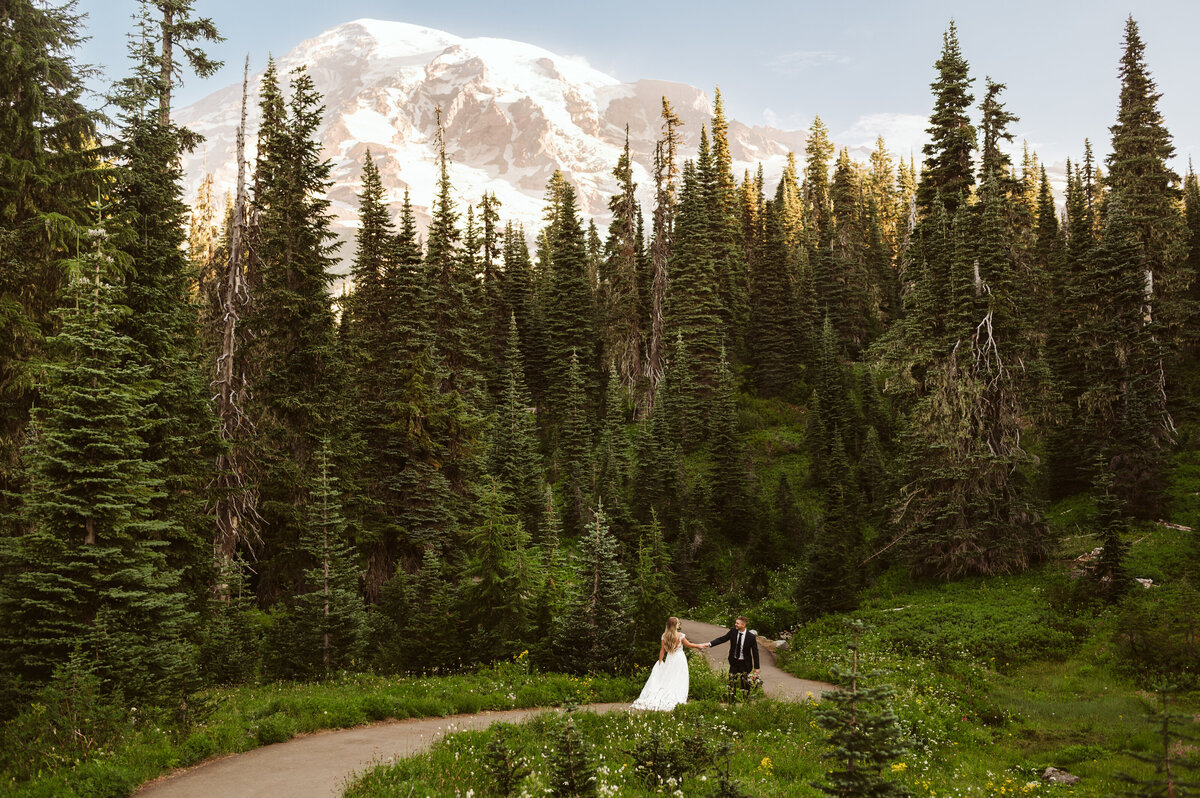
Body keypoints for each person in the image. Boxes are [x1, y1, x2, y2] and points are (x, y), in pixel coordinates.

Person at [630, 617, 707, 711]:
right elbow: (689, 645)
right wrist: (699, 645)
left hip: (670, 659)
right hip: (679, 659)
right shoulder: (680, 635)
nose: (679, 624)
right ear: (675, 625)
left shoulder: (664, 636)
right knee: (679, 677)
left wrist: (660, 662)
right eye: (678, 623)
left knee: (669, 677)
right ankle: (678, 695)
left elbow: (662, 650)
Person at [705, 615, 760, 701]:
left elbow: (755, 653)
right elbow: (722, 639)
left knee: (744, 684)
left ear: (743, 625)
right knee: (731, 682)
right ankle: (731, 701)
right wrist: (709, 644)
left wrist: (757, 668)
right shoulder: (733, 631)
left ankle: (745, 702)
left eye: (737, 623)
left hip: (745, 663)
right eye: (736, 623)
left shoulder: (751, 637)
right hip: (734, 662)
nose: (735, 624)